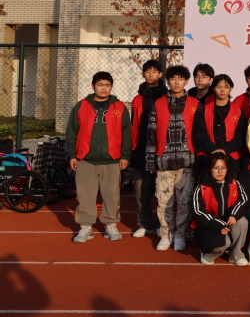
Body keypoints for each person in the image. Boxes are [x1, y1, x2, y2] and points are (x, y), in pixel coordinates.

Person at [66, 71, 131, 243]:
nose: (103, 88)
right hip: (85, 159)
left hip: (112, 159)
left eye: (107, 85)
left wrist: (124, 156)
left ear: (111, 87)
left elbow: (126, 133)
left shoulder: (120, 107)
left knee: (111, 195)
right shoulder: (81, 106)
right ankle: (85, 227)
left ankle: (111, 225)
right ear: (93, 86)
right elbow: (71, 132)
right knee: (85, 195)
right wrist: (72, 155)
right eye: (100, 85)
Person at [146, 65, 199, 252]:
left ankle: (180, 235)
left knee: (184, 202)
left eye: (180, 79)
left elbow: (200, 133)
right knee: (163, 202)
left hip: (187, 163)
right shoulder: (159, 104)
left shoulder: (195, 103)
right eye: (173, 79)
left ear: (186, 81)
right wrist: (150, 161)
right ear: (168, 81)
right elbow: (151, 134)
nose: (177, 82)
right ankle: (165, 234)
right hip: (164, 162)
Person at [130, 59, 167, 238]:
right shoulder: (137, 99)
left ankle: (161, 225)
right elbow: (133, 126)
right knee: (141, 192)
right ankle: (144, 224)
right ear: (143, 74)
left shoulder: (166, 97)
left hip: (161, 151)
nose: (151, 74)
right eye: (147, 71)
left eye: (154, 71)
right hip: (140, 151)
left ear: (160, 74)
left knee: (161, 192)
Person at [190, 153, 249, 266]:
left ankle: (236, 255)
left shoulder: (234, 183)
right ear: (210, 169)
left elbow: (243, 201)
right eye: (216, 168)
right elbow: (198, 212)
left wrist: (233, 215)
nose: (220, 171)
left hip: (227, 221)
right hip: (208, 225)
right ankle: (207, 254)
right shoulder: (201, 187)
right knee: (223, 243)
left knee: (242, 222)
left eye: (223, 168)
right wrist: (218, 225)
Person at [192, 74, 247, 177]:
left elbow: (241, 137)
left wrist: (225, 150)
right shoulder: (202, 111)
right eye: (219, 87)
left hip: (232, 159)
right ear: (213, 88)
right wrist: (214, 150)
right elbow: (199, 136)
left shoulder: (239, 111)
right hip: (207, 159)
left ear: (231, 88)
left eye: (226, 87)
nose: (222, 90)